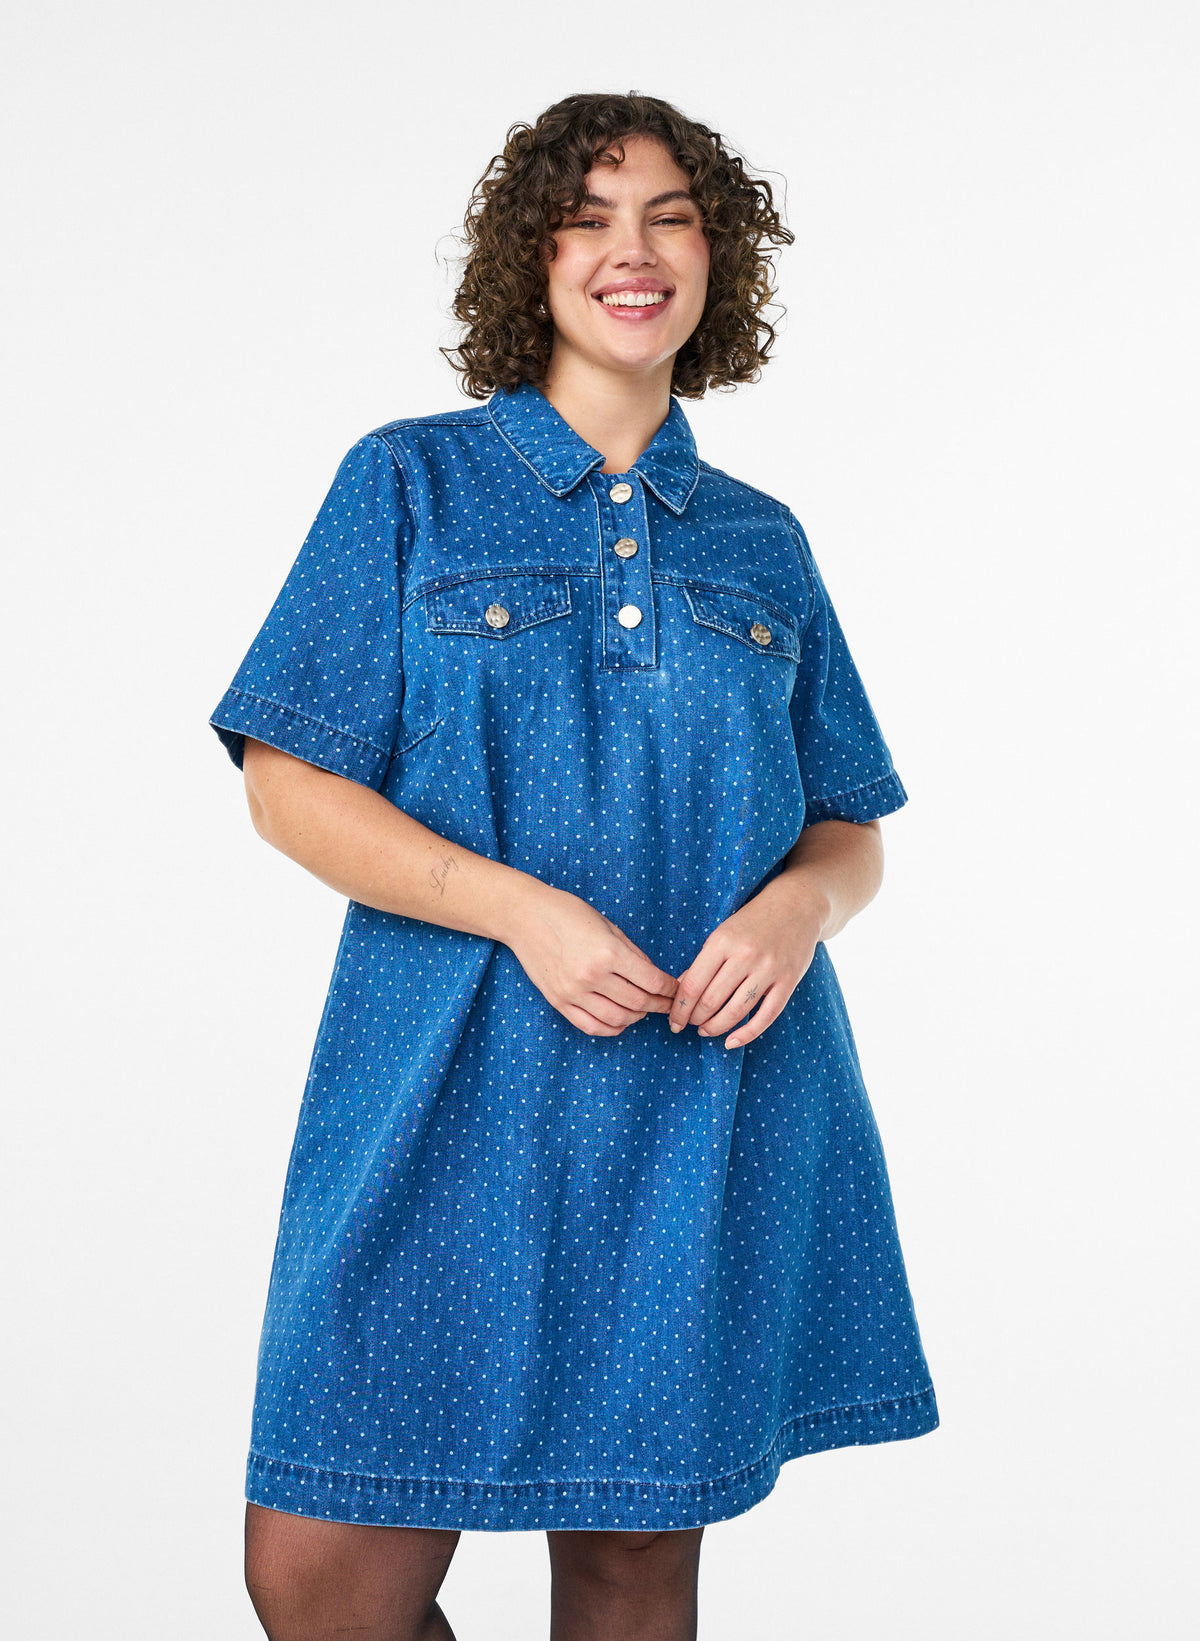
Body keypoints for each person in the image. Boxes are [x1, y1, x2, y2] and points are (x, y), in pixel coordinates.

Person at [209, 90, 940, 1641]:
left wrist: (798, 909)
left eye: (671, 216)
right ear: (529, 259)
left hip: (696, 1090)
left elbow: (848, 822)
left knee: (629, 1560)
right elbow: (287, 780)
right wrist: (518, 909)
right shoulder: (406, 483)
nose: (633, 250)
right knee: (319, 1574)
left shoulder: (761, 539)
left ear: (717, 259)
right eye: (590, 217)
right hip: (439, 1085)